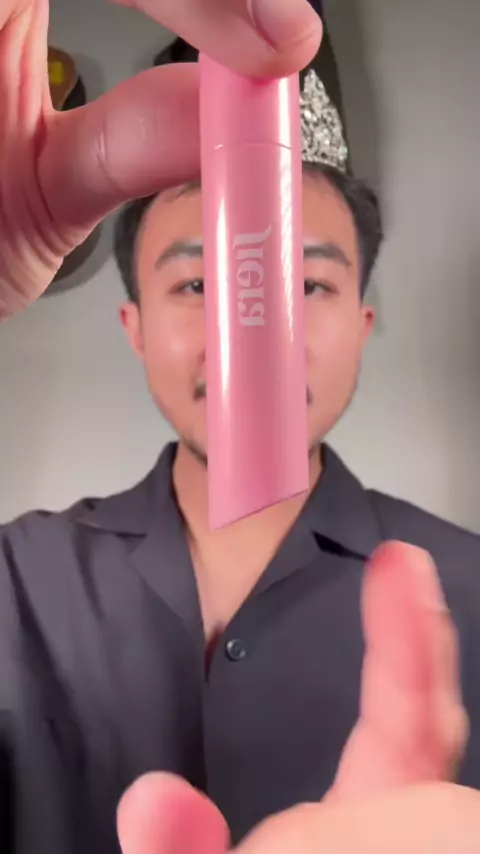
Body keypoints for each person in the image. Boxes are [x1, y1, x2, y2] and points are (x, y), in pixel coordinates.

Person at [2, 0, 480, 852]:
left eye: (310, 285)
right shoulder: (16, 580)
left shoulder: (469, 588)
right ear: (134, 327)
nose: (250, 330)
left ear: (362, 325)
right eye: (195, 285)